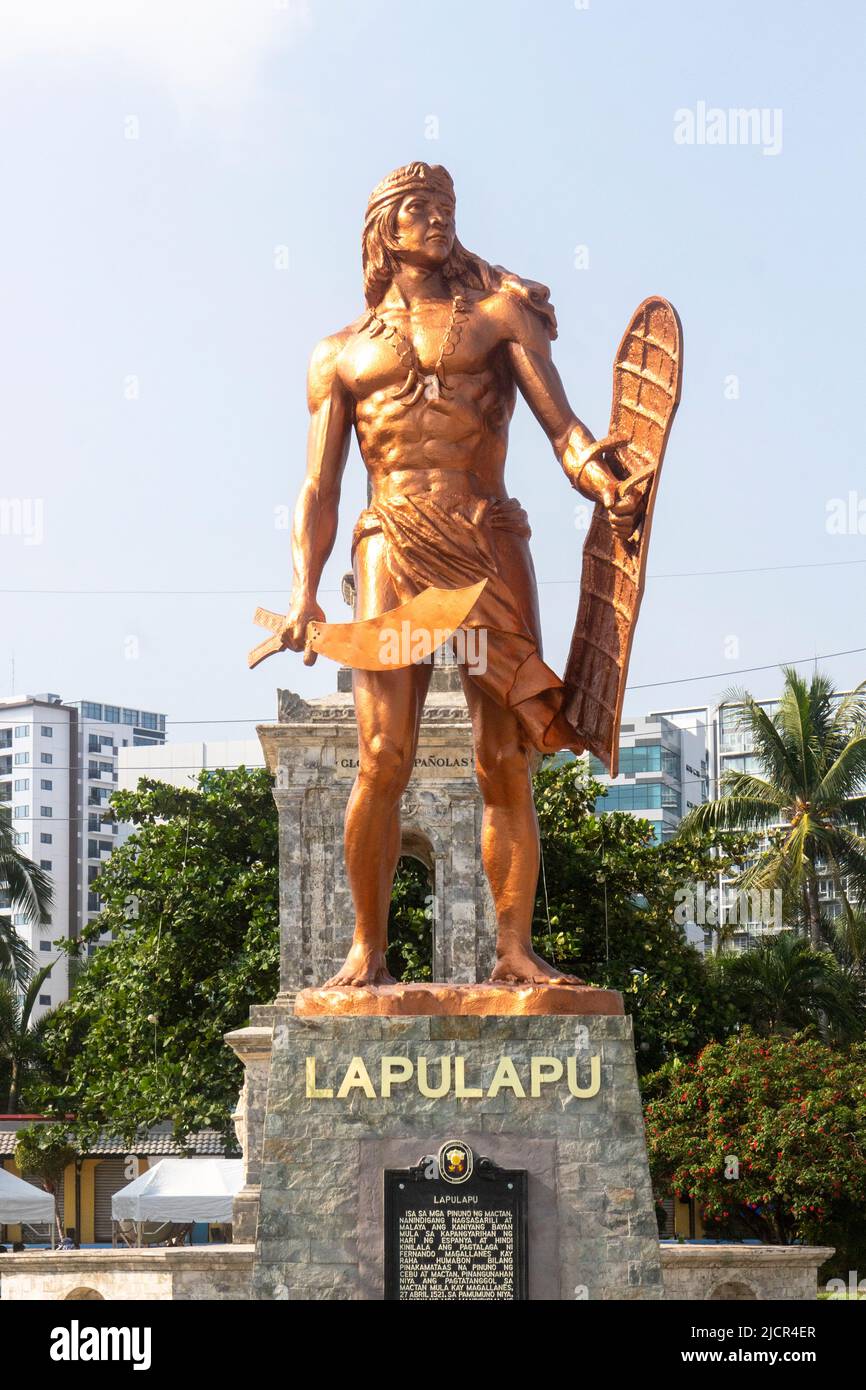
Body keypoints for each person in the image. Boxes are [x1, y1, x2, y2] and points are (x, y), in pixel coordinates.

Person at [280, 162, 642, 986]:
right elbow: (318, 486)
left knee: (503, 754)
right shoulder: (338, 354)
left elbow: (566, 432)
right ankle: (366, 952)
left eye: (443, 206)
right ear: (384, 233)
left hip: (486, 540)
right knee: (383, 753)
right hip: (391, 545)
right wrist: (303, 590)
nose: (435, 218)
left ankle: (513, 952)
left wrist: (602, 479)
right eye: (415, 208)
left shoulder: (499, 318)